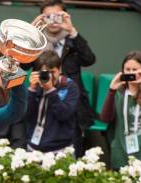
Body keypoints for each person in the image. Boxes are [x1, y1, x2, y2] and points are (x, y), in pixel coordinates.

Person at [32, 0, 96, 157]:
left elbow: (89, 59)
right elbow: (21, 66)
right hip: (41, 107)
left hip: (71, 109)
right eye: (48, 17)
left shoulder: (73, 41)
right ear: (41, 18)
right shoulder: (37, 43)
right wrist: (30, 34)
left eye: (57, 16)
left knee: (72, 160)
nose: (53, 21)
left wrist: (72, 31)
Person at [26, 51, 79, 153]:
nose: (49, 76)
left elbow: (64, 114)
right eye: (45, 73)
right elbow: (26, 115)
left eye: (52, 72)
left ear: (60, 70)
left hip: (60, 150)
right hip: (34, 148)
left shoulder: (70, 87)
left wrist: (50, 90)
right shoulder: (35, 85)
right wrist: (31, 90)